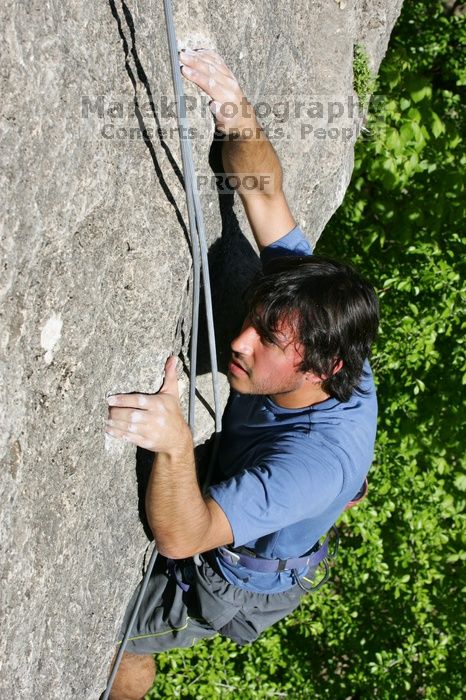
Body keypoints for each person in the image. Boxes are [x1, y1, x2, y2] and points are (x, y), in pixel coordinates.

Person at [104, 49, 379, 699]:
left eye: (266, 339)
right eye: (252, 320)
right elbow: (263, 191)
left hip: (240, 578)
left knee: (117, 643)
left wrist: (173, 443)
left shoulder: (308, 465)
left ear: (321, 366)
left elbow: (182, 536)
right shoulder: (315, 320)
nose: (239, 341)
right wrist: (236, 110)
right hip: (303, 485)